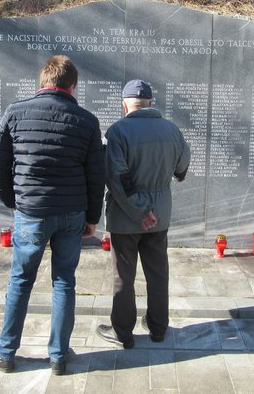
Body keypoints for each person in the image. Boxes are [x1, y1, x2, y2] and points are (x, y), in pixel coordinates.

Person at [0, 55, 105, 375]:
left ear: (43, 82)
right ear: (72, 87)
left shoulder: (15, 112)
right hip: (71, 213)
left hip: (31, 212)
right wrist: (93, 216)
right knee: (64, 282)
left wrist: (15, 201)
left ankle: (6, 352)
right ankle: (59, 356)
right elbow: (96, 175)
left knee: (21, 281)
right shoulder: (87, 121)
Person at [96, 79, 190, 349]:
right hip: (160, 214)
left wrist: (140, 211)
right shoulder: (172, 130)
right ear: (150, 103)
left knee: (123, 276)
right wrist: (150, 210)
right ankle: (158, 327)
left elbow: (116, 178)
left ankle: (123, 333)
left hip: (126, 217)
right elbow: (181, 169)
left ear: (125, 105)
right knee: (158, 272)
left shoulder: (117, 132)